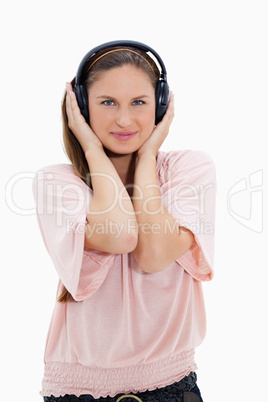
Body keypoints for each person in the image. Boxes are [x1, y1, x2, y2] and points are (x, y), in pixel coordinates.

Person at [33, 40, 216, 402]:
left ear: (160, 106)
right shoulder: (58, 183)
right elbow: (120, 235)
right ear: (81, 108)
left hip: (173, 385)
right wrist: (90, 147)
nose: (124, 119)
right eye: (107, 103)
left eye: (138, 103)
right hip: (81, 393)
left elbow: (152, 253)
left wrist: (147, 156)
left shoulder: (189, 169)